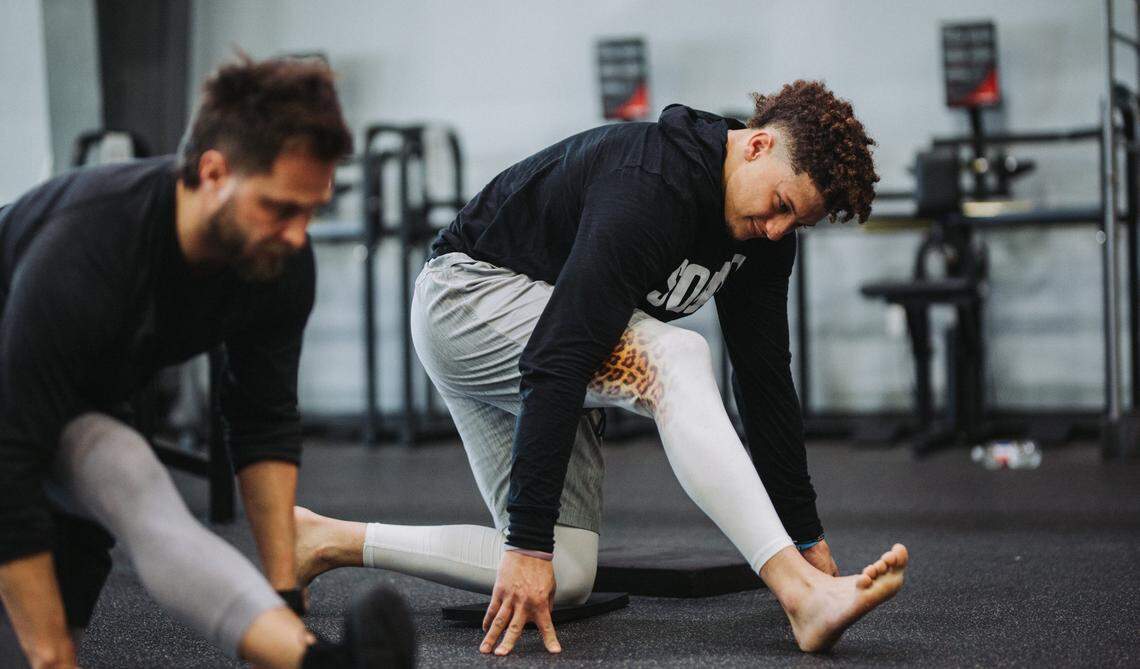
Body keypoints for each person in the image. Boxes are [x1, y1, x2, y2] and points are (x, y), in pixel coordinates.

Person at [295, 80, 907, 656]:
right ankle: (798, 598)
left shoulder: (762, 240)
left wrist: (806, 536)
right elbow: (562, 352)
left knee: (565, 573)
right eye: (780, 205)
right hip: (467, 299)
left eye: (795, 221)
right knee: (676, 354)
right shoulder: (653, 182)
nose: (777, 230)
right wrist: (527, 537)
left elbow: (765, 380)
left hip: (549, 331)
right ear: (756, 144)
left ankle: (321, 540)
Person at [0, 56, 414, 669]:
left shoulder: (276, 261)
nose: (299, 235)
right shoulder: (89, 248)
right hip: (12, 398)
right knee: (41, 634)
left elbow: (263, 418)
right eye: (279, 209)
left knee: (131, 493)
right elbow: (8, 461)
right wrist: (51, 656)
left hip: (70, 398)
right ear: (213, 172)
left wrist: (285, 599)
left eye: (311, 212)